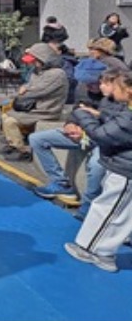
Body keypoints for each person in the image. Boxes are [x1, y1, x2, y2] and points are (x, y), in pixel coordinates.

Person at [64, 70, 132, 273]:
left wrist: (82, 115)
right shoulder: (126, 110)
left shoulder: (129, 116)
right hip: (123, 164)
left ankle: (93, 249)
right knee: (121, 211)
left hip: (125, 169)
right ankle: (103, 250)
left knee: (109, 208)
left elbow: (102, 135)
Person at [30, 69, 122, 211]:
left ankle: (87, 205)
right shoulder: (87, 91)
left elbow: (115, 127)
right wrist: (70, 124)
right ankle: (62, 183)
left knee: (96, 165)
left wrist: (90, 124)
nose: (95, 86)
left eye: (102, 84)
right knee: (37, 139)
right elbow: (76, 110)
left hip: (104, 140)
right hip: (86, 133)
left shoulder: (121, 101)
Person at [0, 43, 69, 162]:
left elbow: (39, 91)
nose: (31, 63)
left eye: (34, 60)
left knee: (10, 120)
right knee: (5, 115)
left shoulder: (57, 74)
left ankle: (22, 150)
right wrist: (24, 90)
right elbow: (29, 86)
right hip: (34, 108)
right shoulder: (37, 71)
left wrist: (23, 91)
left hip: (47, 110)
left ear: (43, 58)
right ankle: (13, 144)